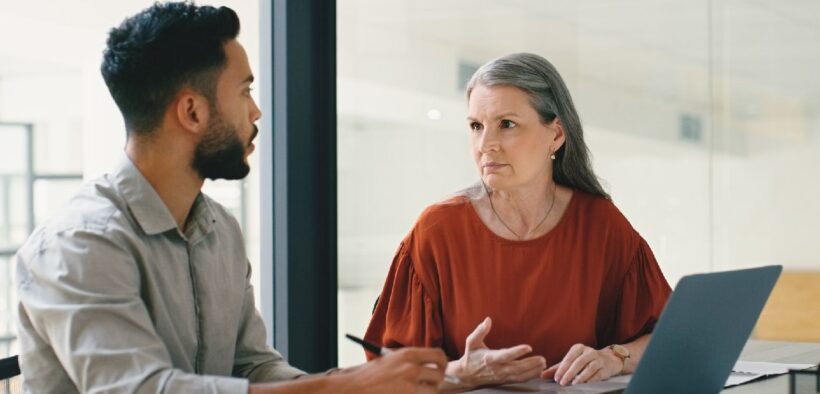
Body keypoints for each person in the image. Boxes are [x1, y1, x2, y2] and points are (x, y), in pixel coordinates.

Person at [14, 2, 446, 393]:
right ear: (192, 112)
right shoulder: (80, 243)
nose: (256, 111)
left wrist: (380, 381)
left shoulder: (220, 229)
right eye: (244, 91)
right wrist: (346, 389)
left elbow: (252, 367)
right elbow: (141, 390)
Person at [364, 52, 672, 391]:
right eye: (476, 126)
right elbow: (384, 377)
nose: (486, 145)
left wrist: (614, 357)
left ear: (555, 135)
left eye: (506, 125)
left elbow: (669, 336)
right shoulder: (436, 231)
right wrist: (460, 372)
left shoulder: (600, 224)